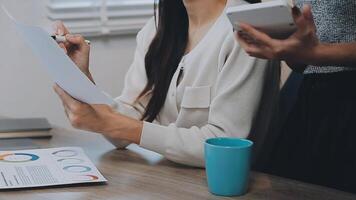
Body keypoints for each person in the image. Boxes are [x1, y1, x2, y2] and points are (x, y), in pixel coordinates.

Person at [53, 0, 279, 167]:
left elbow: (224, 147)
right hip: (169, 180)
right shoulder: (156, 29)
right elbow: (125, 128)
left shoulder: (246, 32)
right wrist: (82, 79)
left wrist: (109, 122)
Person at [237, 0, 356, 192]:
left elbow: (315, 53)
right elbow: (302, 62)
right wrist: (284, 48)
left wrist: (318, 53)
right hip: (313, 95)